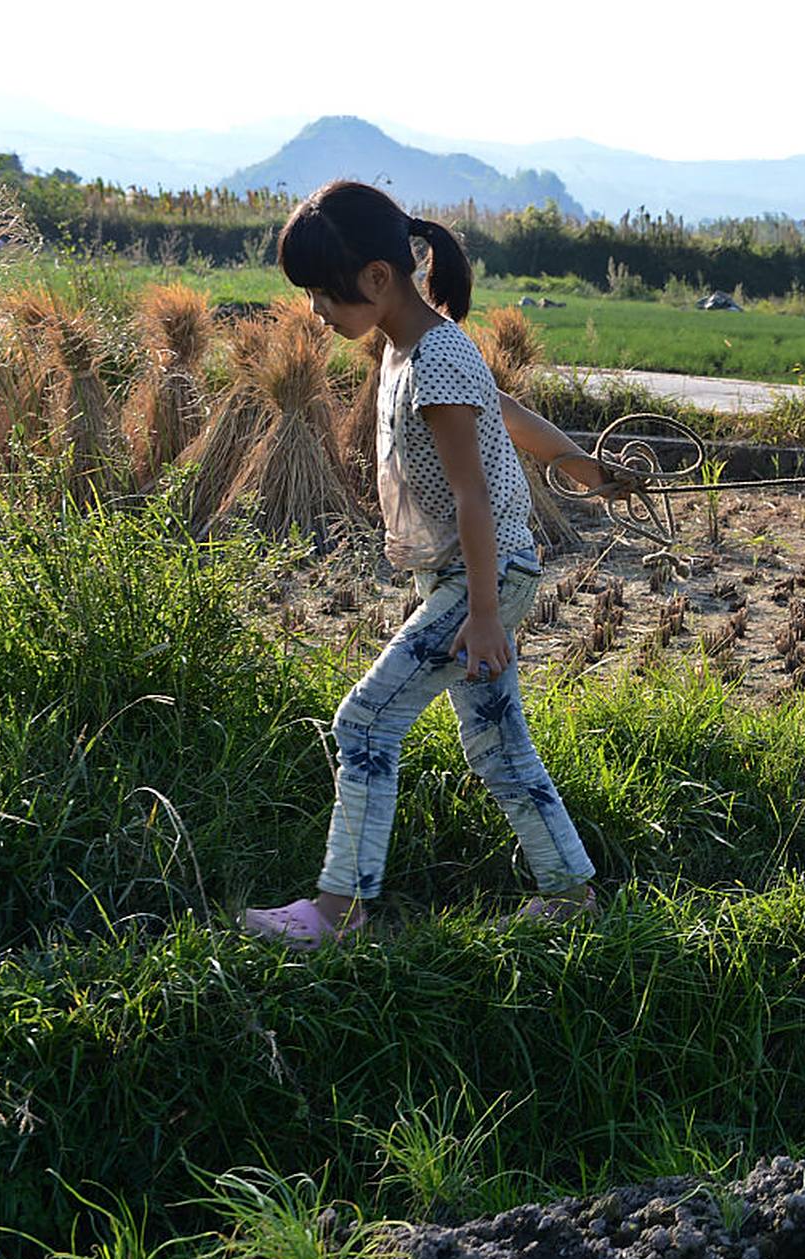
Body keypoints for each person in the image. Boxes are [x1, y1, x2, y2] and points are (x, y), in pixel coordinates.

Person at [242, 180, 604, 949]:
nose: (317, 311)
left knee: (365, 720)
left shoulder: (434, 355)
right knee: (498, 740)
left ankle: (340, 912)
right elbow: (508, 416)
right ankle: (572, 896)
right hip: (474, 576)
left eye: (323, 295)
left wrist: (479, 615)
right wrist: (589, 469)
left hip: (482, 578)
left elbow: (473, 495)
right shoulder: (423, 347)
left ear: (377, 278)